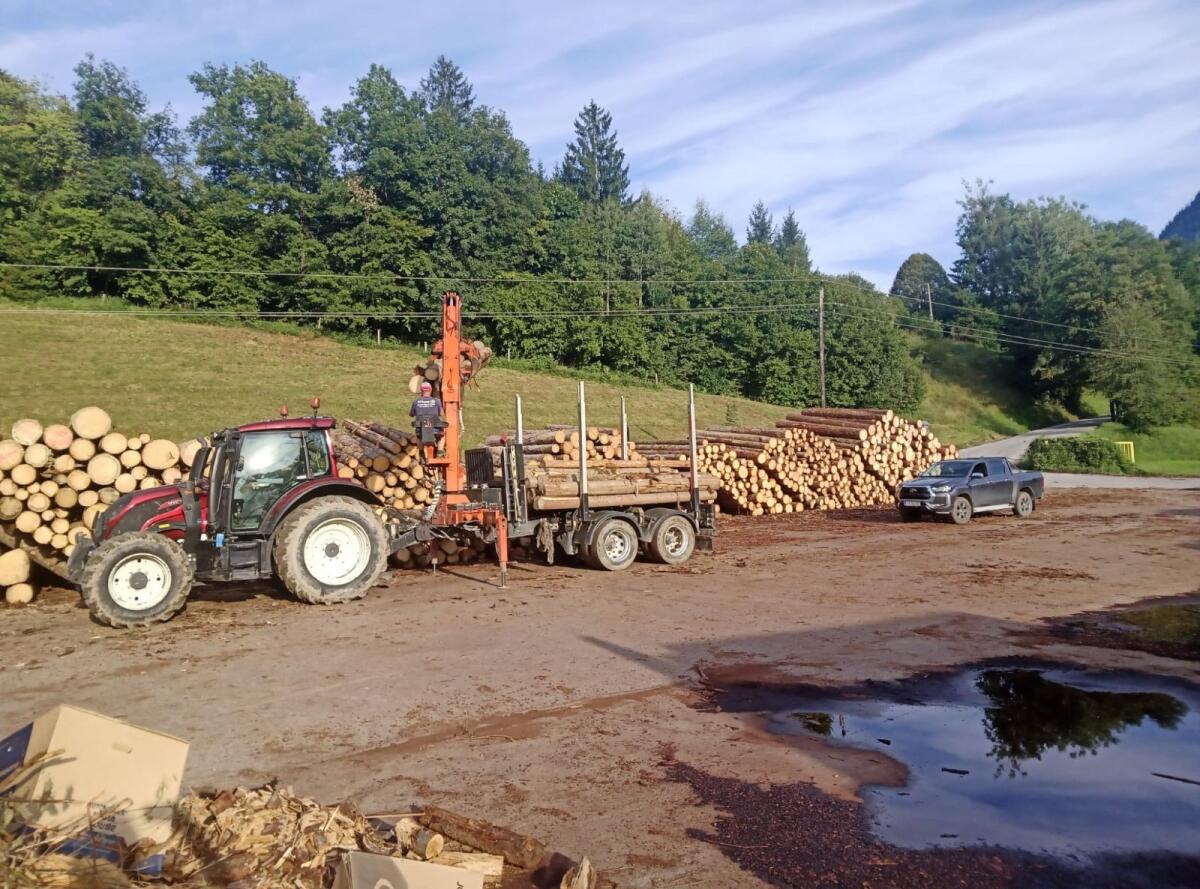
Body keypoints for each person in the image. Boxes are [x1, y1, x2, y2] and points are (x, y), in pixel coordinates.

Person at [411, 381, 445, 445]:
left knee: (418, 437)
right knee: (442, 437)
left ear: (421, 390)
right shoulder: (437, 401)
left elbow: (412, 414)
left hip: (420, 430)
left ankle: (421, 452)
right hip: (435, 429)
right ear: (431, 390)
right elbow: (441, 414)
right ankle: (440, 451)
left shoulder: (416, 401)